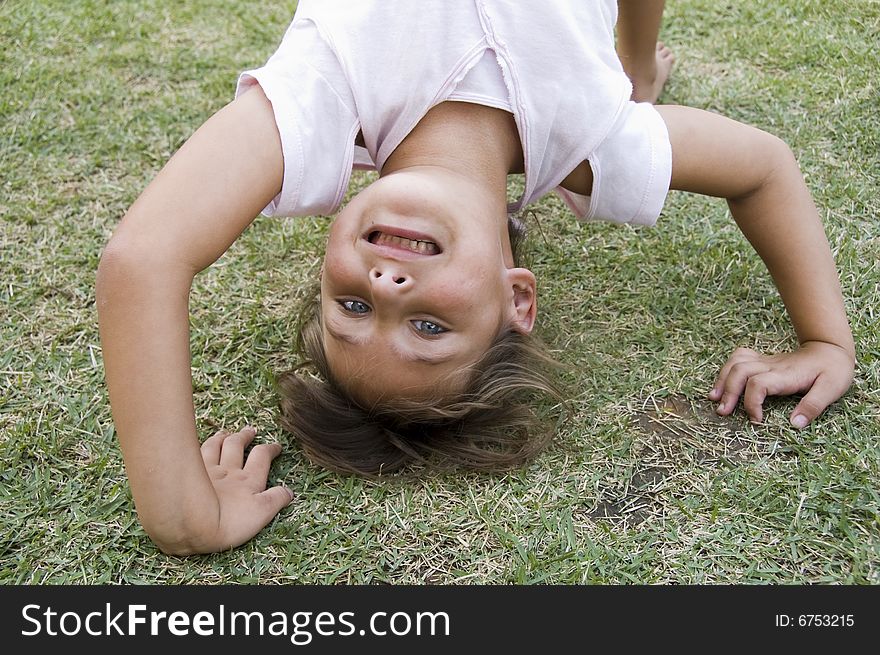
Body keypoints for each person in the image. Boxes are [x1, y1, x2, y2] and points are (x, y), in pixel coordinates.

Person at [96, 0, 855, 555]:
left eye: (350, 305)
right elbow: (763, 169)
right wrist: (826, 338)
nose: (388, 290)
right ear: (517, 295)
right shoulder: (596, 135)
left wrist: (184, 519)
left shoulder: (322, 103)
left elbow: (143, 259)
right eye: (430, 327)